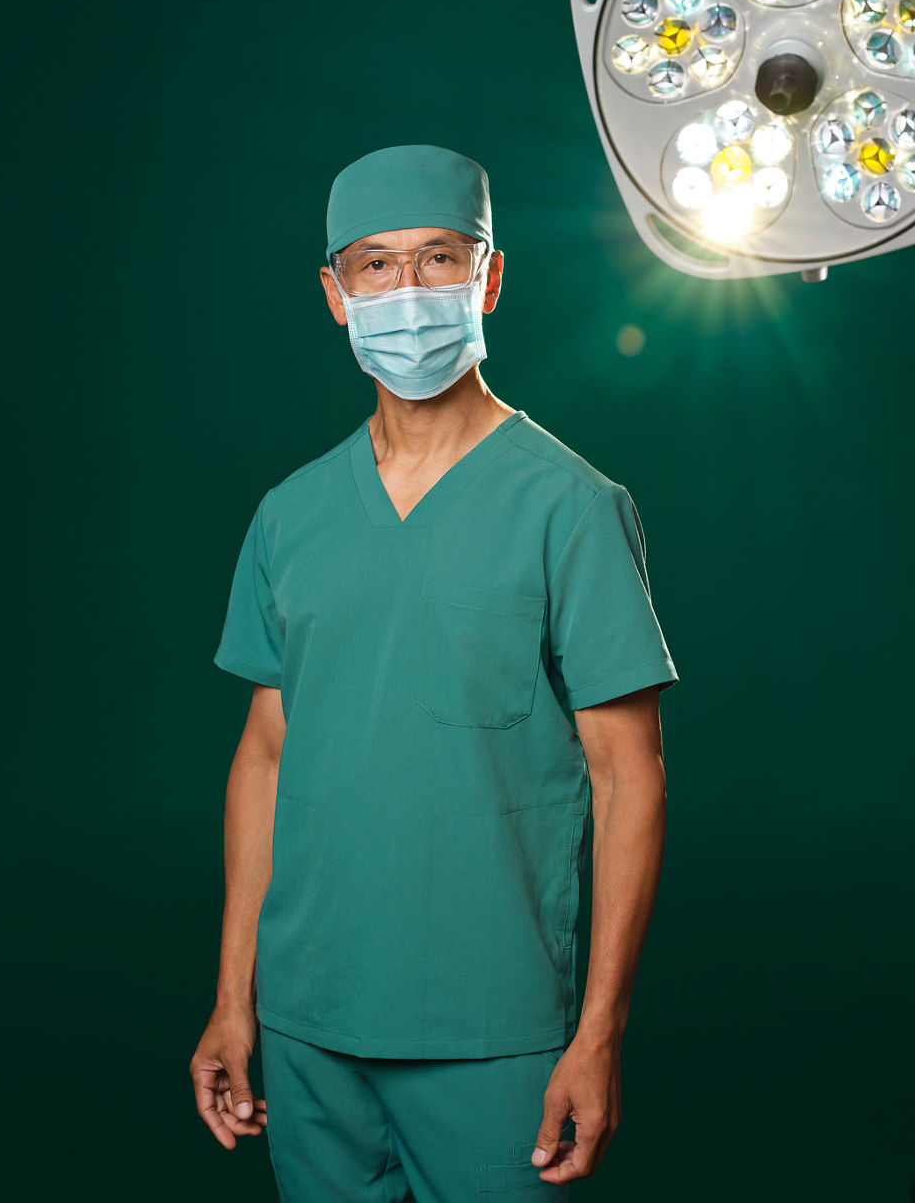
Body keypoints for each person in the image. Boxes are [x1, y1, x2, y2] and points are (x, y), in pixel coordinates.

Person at [189, 144, 679, 1201]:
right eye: (375, 266)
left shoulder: (571, 507)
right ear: (335, 293)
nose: (408, 292)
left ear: (489, 277)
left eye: (438, 259)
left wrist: (598, 1033)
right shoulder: (292, 513)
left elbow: (627, 775)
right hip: (309, 1023)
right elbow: (266, 756)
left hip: (493, 1031)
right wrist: (236, 996)